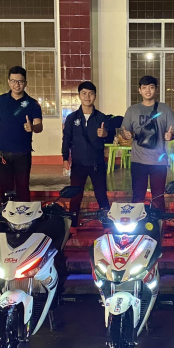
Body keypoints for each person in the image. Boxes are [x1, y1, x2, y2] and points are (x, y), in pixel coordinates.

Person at [121, 75, 174, 234]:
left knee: (158, 196)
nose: (148, 90)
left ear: (156, 89)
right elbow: (124, 131)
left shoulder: (164, 109)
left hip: (159, 161)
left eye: (151, 87)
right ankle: (135, 228)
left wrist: (170, 136)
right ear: (139, 90)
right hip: (138, 160)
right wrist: (126, 135)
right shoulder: (132, 110)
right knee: (138, 196)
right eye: (144, 87)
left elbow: (172, 132)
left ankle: (160, 228)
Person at [0, 66, 43, 202]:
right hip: (2, 153)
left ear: (25, 83)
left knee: (22, 188)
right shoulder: (1, 100)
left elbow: (39, 126)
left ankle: (24, 214)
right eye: (13, 81)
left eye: (20, 81)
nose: (17, 85)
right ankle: (6, 214)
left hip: (22, 154)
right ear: (8, 82)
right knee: (5, 190)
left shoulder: (33, 104)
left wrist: (32, 127)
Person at [62, 81, 111, 234]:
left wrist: (105, 134)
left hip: (97, 163)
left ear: (95, 96)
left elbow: (111, 138)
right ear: (79, 95)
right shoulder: (72, 118)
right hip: (78, 163)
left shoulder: (102, 118)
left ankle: (107, 225)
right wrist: (65, 158)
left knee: (101, 194)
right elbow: (66, 138)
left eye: (91, 93)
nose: (87, 96)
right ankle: (73, 225)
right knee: (76, 195)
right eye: (84, 93)